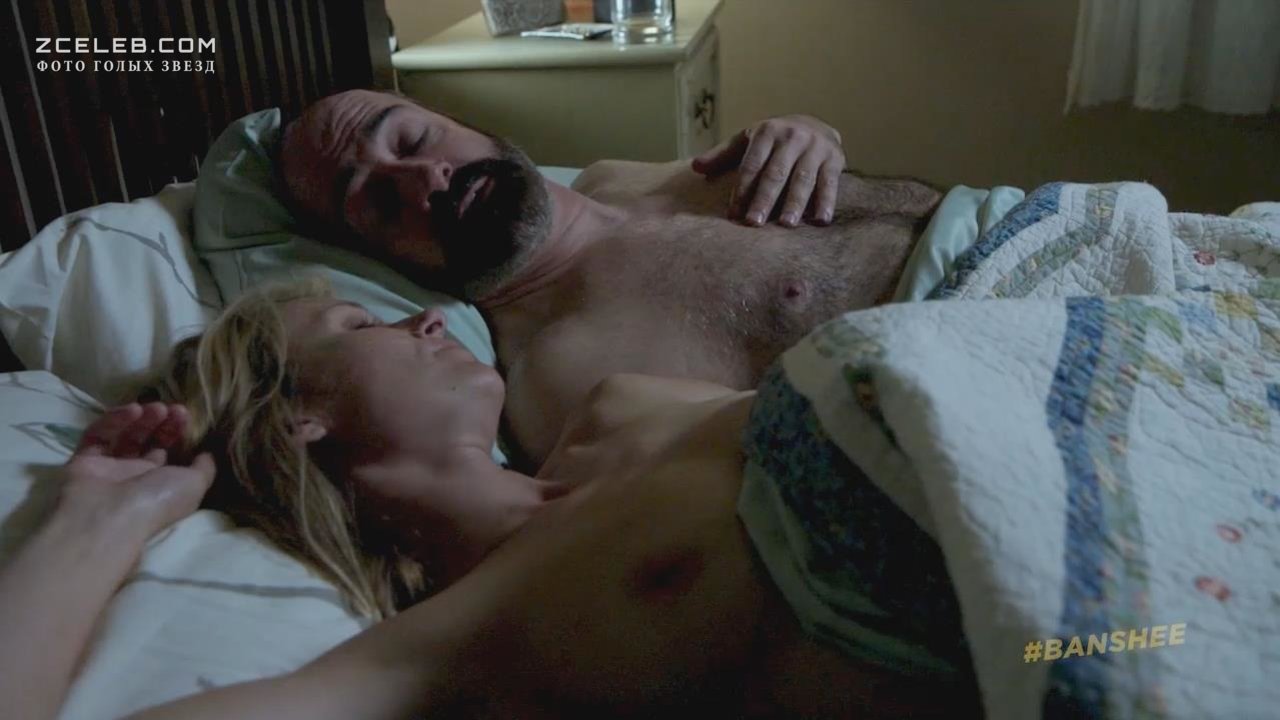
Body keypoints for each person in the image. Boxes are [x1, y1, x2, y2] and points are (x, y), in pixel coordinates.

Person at [0, 281, 976, 719]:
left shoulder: (629, 405)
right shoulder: (447, 653)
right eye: (359, 324)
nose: (428, 317)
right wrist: (96, 519)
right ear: (297, 420)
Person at [280, 89, 943, 468]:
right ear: (378, 257)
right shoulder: (561, 376)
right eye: (379, 201)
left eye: (412, 139)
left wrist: (812, 133)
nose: (427, 180)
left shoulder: (613, 176)